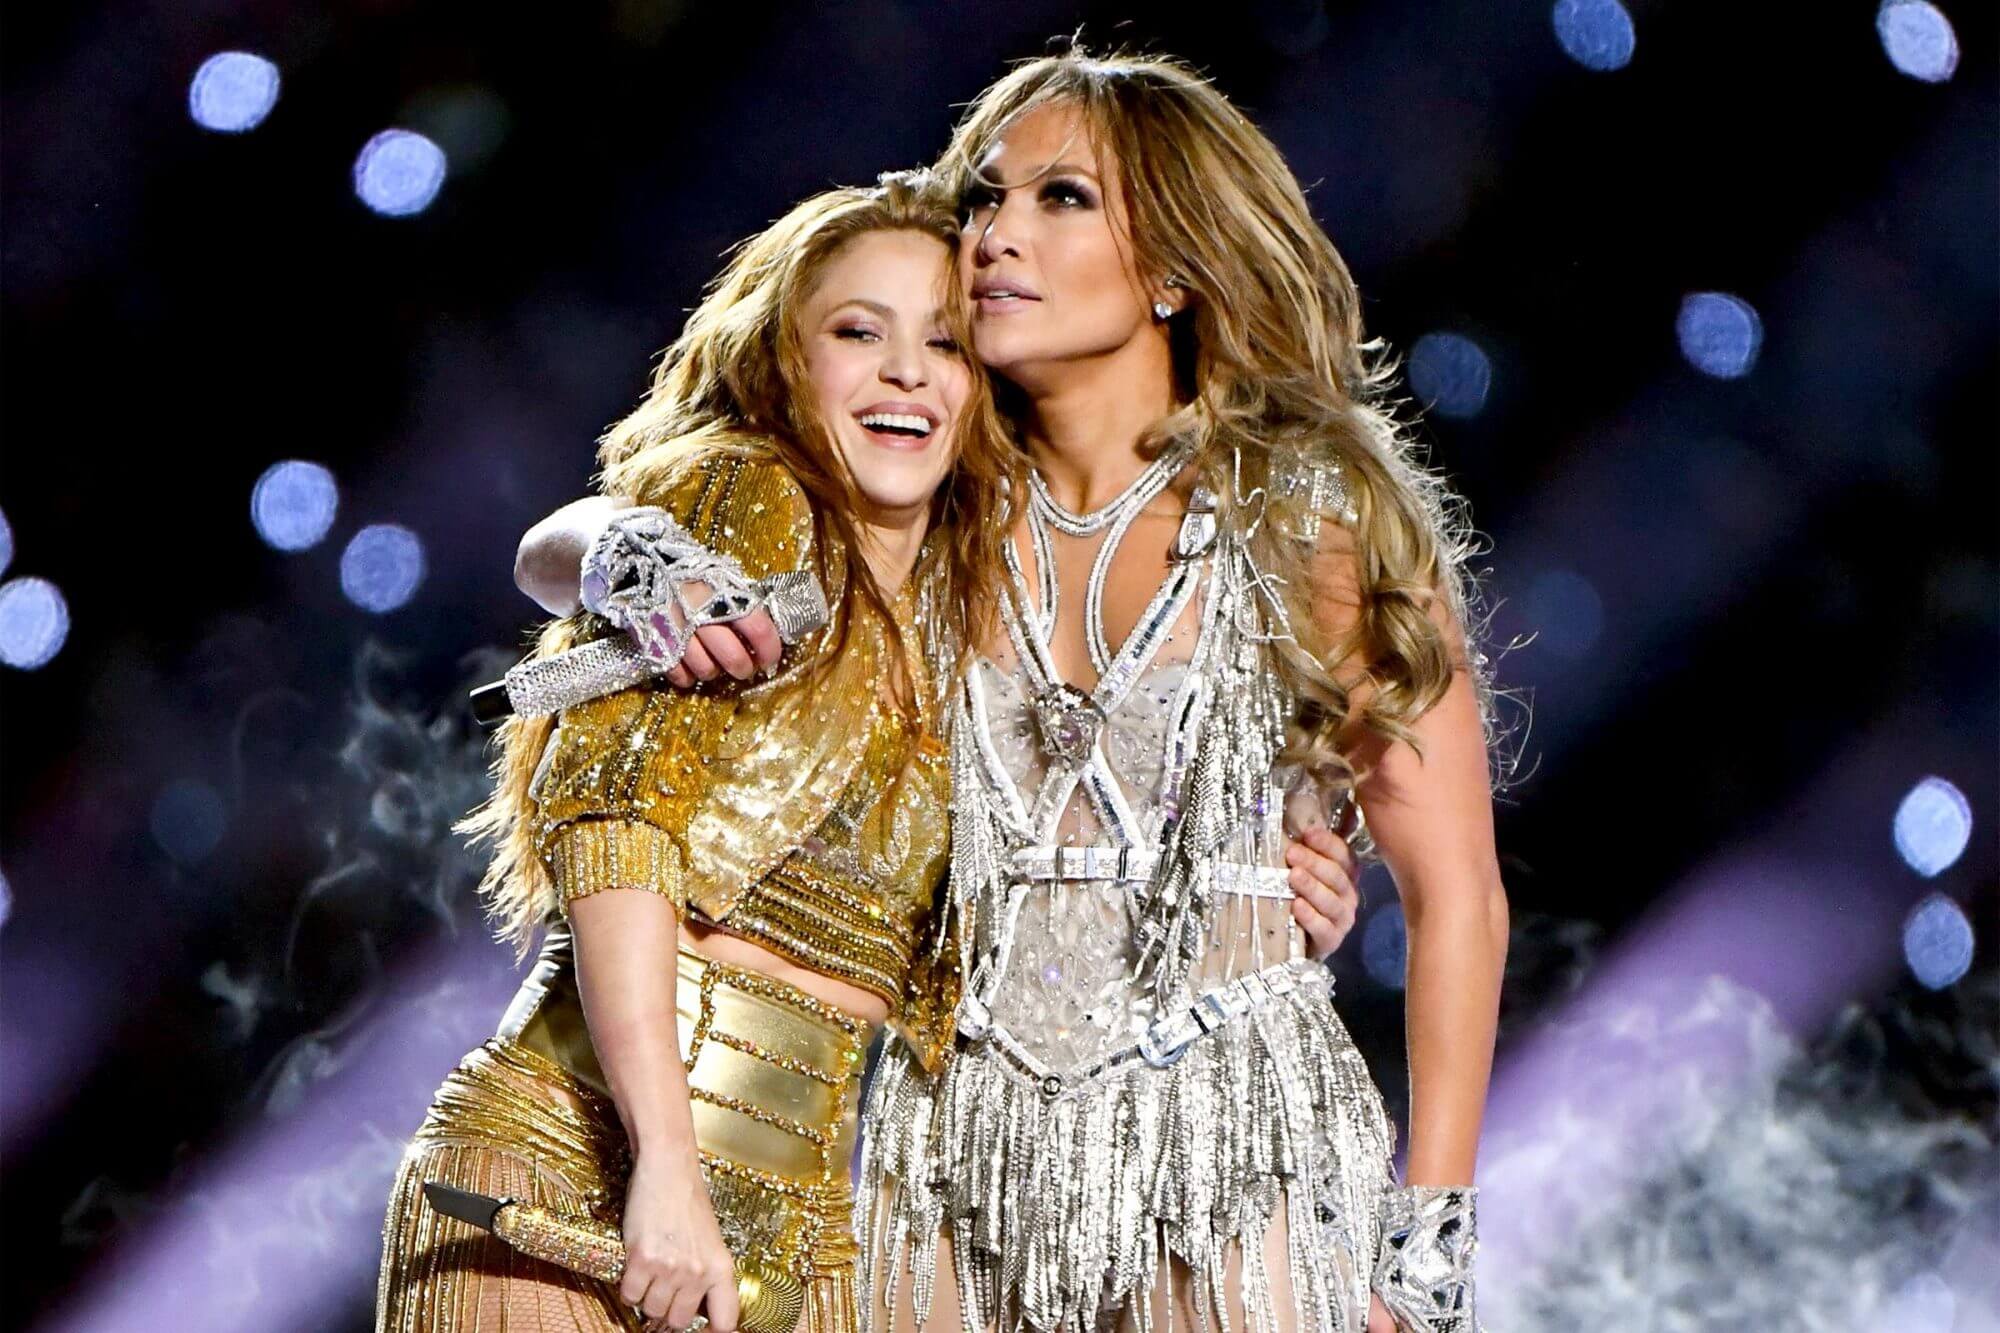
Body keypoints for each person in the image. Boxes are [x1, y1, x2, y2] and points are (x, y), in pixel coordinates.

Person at [507, 47, 1484, 1333]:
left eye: (1059, 199)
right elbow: (582, 530)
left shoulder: (1314, 517)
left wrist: (1425, 1254)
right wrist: (631, 559)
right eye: (984, 195)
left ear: (1179, 267)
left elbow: (1456, 889)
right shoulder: (922, 495)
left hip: (1238, 1147)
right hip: (953, 1161)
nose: (992, 239)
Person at [376, 174, 1015, 1333]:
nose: (908, 371)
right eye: (857, 331)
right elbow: (619, 826)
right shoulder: (749, 498)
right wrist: (662, 1168)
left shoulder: (979, 622)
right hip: (574, 1170)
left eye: (947, 343)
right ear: (784, 358)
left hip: (807, 1238)